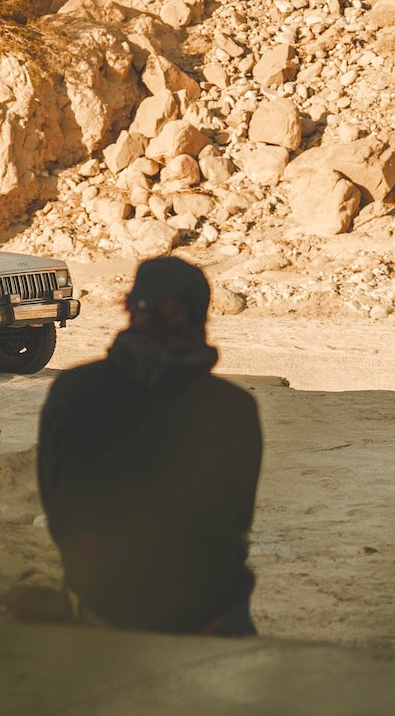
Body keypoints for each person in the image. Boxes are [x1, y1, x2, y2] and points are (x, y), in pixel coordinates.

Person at [36, 256, 263, 636]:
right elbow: (235, 524)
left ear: (132, 309)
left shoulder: (73, 392)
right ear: (192, 316)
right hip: (207, 615)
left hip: (105, 604)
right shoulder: (233, 408)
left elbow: (57, 505)